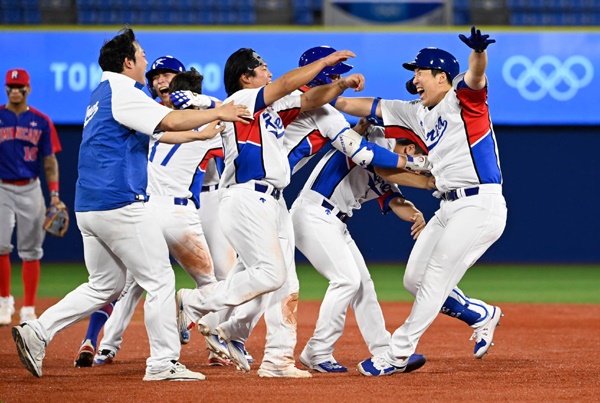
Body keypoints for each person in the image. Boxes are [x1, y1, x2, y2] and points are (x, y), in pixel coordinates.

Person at [11, 27, 249, 381]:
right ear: (126, 62)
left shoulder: (103, 92)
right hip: (117, 202)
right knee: (160, 279)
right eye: (140, 56)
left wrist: (198, 135)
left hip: (90, 205)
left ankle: (38, 331)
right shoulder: (124, 90)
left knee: (104, 285)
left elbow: (161, 131)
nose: (145, 61)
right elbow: (168, 119)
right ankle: (163, 362)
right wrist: (222, 112)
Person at [206, 46, 432, 376]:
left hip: (270, 195)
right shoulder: (309, 105)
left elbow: (358, 149)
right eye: (334, 78)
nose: (338, 83)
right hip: (268, 197)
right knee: (321, 278)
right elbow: (364, 154)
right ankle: (308, 348)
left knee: (272, 274)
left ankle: (228, 330)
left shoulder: (297, 102)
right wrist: (419, 165)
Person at [176, 47, 365, 377]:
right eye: (261, 68)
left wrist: (342, 84)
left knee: (287, 283)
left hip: (273, 200)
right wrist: (326, 63)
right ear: (246, 78)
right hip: (247, 196)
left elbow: (309, 99)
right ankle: (195, 303)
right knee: (269, 274)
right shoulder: (243, 100)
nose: (268, 72)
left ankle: (278, 359)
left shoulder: (271, 108)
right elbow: (291, 83)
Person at [333, 26, 507, 376]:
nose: (414, 79)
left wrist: (478, 52)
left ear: (441, 77)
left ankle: (396, 354)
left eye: (420, 72)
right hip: (449, 206)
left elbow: (476, 75)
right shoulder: (417, 111)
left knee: (435, 277)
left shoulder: (463, 98)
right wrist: (326, 89)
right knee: (414, 279)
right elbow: (353, 105)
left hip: (480, 204)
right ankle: (479, 313)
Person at [73, 60, 228, 368]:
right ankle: (211, 341)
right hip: (176, 212)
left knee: (129, 283)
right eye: (154, 76)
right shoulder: (186, 119)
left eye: (166, 76)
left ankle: (105, 345)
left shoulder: (145, 115)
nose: (159, 81)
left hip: (142, 208)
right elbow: (229, 133)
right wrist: (207, 108)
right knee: (209, 283)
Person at [292, 123, 427, 373]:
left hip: (334, 222)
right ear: (410, 148)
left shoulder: (387, 166)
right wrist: (429, 180)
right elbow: (380, 161)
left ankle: (384, 349)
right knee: (346, 280)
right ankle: (317, 351)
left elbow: (394, 199)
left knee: (363, 285)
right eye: (421, 158)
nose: (419, 167)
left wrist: (414, 212)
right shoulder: (376, 140)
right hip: (313, 213)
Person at [0, 68, 64, 326]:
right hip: (2, 186)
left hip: (30, 187)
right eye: (11, 87)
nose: (15, 91)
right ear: (7, 89)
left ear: (28, 89)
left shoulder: (41, 120)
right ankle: (4, 301)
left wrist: (55, 195)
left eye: (20, 87)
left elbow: (49, 160)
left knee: (31, 250)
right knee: (1, 246)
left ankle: (28, 307)